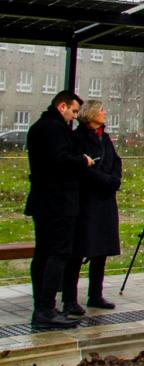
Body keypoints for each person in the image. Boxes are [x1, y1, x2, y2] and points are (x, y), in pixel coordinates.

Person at [24, 90, 92, 330]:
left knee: (43, 252)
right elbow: (60, 161)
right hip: (58, 201)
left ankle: (42, 306)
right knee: (57, 252)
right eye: (73, 111)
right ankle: (45, 308)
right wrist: (83, 161)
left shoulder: (39, 127)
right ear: (62, 107)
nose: (74, 117)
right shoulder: (53, 129)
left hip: (44, 201)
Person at [62, 100, 123, 314]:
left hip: (105, 200)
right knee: (79, 249)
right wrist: (105, 180)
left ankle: (95, 294)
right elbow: (82, 167)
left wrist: (114, 179)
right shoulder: (78, 138)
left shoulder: (104, 137)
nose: (105, 113)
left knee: (101, 250)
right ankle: (69, 299)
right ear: (91, 114)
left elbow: (116, 161)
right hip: (87, 200)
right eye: (102, 110)